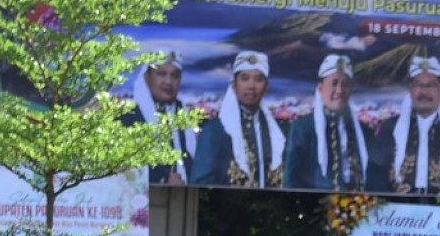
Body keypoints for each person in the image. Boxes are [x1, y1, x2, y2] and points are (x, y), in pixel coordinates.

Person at [373, 56, 440, 198]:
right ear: (410, 90)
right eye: (418, 85)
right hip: (395, 212)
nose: (424, 92)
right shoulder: (390, 129)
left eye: (431, 85)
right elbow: (376, 174)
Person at [190, 51, 284, 188]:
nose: (251, 85)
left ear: (266, 87)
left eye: (258, 79)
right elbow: (200, 185)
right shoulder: (215, 131)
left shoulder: (277, 131)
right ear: (234, 84)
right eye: (245, 78)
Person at [284, 54, 371, 192]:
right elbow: (290, 181)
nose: (340, 91)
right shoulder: (303, 128)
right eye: (334, 83)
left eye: (345, 85)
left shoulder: (362, 130)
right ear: (320, 88)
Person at [124, 51, 198, 185]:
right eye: (161, 74)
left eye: (175, 76)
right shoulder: (129, 118)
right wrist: (162, 179)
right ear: (147, 77)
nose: (168, 82)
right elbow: (123, 169)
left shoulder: (186, 115)